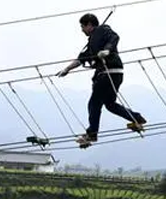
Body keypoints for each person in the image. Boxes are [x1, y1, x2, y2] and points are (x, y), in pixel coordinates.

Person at [57, 14, 146, 146]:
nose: (82, 30)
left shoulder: (103, 30)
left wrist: (107, 50)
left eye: (82, 26)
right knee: (109, 104)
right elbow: (81, 59)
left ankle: (92, 133)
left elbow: (114, 37)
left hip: (107, 73)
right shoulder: (91, 43)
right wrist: (67, 69)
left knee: (94, 103)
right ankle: (137, 118)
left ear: (89, 25)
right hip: (115, 74)